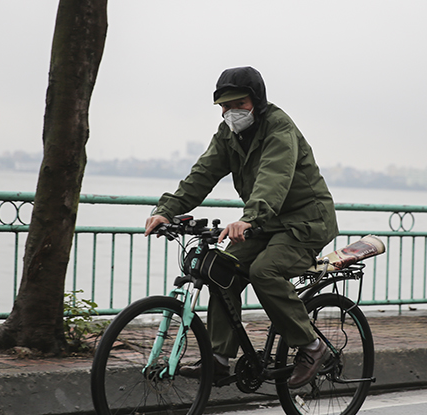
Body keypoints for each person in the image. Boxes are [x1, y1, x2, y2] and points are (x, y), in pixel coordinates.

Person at [144, 66, 339, 389]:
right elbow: (202, 174)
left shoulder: (279, 129)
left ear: (257, 101)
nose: (231, 112)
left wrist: (250, 217)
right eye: (224, 106)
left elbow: (273, 178)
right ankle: (219, 359)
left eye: (239, 104)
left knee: (264, 271)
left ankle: (311, 346)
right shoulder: (228, 135)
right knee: (220, 269)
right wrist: (167, 210)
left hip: (307, 222)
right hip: (266, 222)